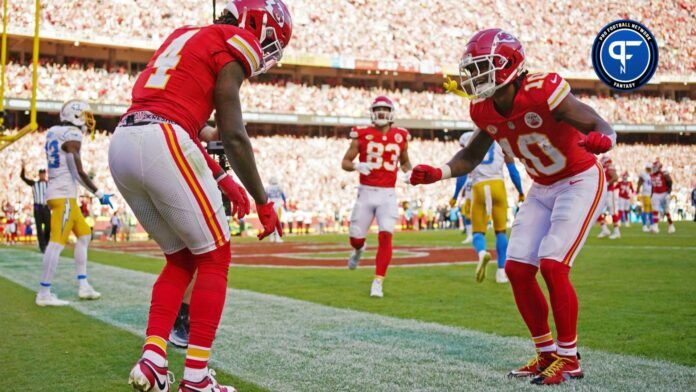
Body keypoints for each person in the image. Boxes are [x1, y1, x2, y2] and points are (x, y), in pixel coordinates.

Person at [409, 29, 616, 385]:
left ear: (509, 65)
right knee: (518, 269)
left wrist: (605, 139)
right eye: (471, 70)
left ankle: (569, 359)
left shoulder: (543, 90)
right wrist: (440, 173)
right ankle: (546, 354)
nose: (473, 77)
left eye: (481, 68)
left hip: (579, 178)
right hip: (543, 185)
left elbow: (597, 121)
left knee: (552, 262)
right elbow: (471, 155)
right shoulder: (483, 107)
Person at [109, 1, 290, 390]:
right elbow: (233, 133)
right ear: (258, 23)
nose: (267, 50)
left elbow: (176, 119)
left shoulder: (184, 35)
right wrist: (263, 200)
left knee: (181, 258)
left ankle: (154, 360)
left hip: (124, 140)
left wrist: (224, 180)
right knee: (215, 257)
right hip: (163, 139)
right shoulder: (235, 39)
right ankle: (196, 378)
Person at [37, 99, 110, 306]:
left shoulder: (53, 131)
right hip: (64, 195)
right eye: (85, 115)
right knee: (56, 242)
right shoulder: (72, 134)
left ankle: (83, 284)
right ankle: (43, 292)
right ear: (75, 116)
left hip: (60, 193)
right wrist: (99, 193)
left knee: (84, 235)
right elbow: (77, 171)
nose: (88, 120)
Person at [341, 95, 412, 298]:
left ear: (392, 114)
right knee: (355, 238)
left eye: (385, 109)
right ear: (372, 112)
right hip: (365, 192)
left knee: (386, 235)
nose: (381, 112)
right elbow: (344, 162)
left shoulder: (401, 136)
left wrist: (409, 172)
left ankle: (378, 281)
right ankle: (358, 250)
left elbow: (405, 162)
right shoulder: (361, 134)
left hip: (388, 194)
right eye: (377, 109)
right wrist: (356, 165)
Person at [454, 131, 524, 283]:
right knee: (501, 232)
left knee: (478, 232)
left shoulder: (473, 140)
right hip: (498, 185)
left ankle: (482, 254)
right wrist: (520, 191)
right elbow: (513, 171)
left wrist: (454, 196)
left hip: (479, 187)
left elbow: (462, 174)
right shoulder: (501, 139)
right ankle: (501, 272)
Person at [20, 163, 50, 252]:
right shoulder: (34, 184)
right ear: (39, 175)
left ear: (45, 174)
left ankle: (46, 243)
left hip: (46, 207)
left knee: (48, 227)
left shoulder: (49, 184)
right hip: (38, 207)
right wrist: (23, 168)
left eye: (43, 174)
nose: (42, 175)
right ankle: (42, 246)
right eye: (41, 174)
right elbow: (23, 178)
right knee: (39, 228)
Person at [596, 156, 620, 239]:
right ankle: (605, 229)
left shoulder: (609, 167)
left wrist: (606, 184)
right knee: (597, 211)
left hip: (610, 192)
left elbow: (615, 177)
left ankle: (617, 232)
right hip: (604, 193)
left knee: (612, 211)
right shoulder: (604, 168)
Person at [650, 160, 675, 233]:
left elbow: (670, 181)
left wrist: (669, 192)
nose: (654, 168)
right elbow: (652, 186)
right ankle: (655, 226)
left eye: (655, 167)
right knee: (655, 210)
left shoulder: (664, 173)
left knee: (666, 211)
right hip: (656, 193)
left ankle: (671, 225)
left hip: (664, 193)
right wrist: (651, 194)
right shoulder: (651, 175)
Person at [265, 177, 287, 242]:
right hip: (278, 204)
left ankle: (271, 237)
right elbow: (283, 196)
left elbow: (266, 197)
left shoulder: (267, 188)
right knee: (278, 221)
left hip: (271, 205)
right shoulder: (279, 187)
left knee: (271, 221)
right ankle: (277, 238)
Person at [637, 163, 656, 232]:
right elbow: (639, 182)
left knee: (651, 210)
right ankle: (644, 226)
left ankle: (651, 225)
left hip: (649, 194)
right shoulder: (644, 174)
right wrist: (637, 190)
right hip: (645, 194)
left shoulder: (650, 175)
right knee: (645, 210)